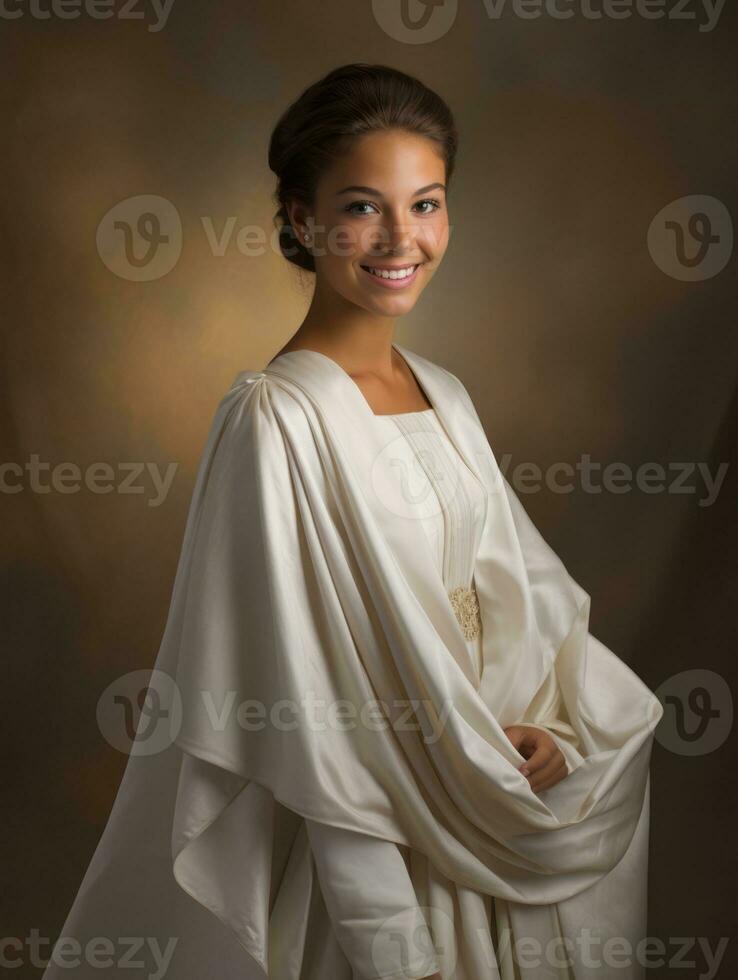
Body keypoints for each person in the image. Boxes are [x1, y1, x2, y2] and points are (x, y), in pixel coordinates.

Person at [41, 64, 662, 980]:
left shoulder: (444, 396)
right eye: (364, 207)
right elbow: (299, 709)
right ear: (301, 219)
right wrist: (387, 935)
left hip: (488, 800)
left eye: (427, 203)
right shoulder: (275, 420)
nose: (401, 239)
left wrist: (550, 729)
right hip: (371, 859)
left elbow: (525, 603)